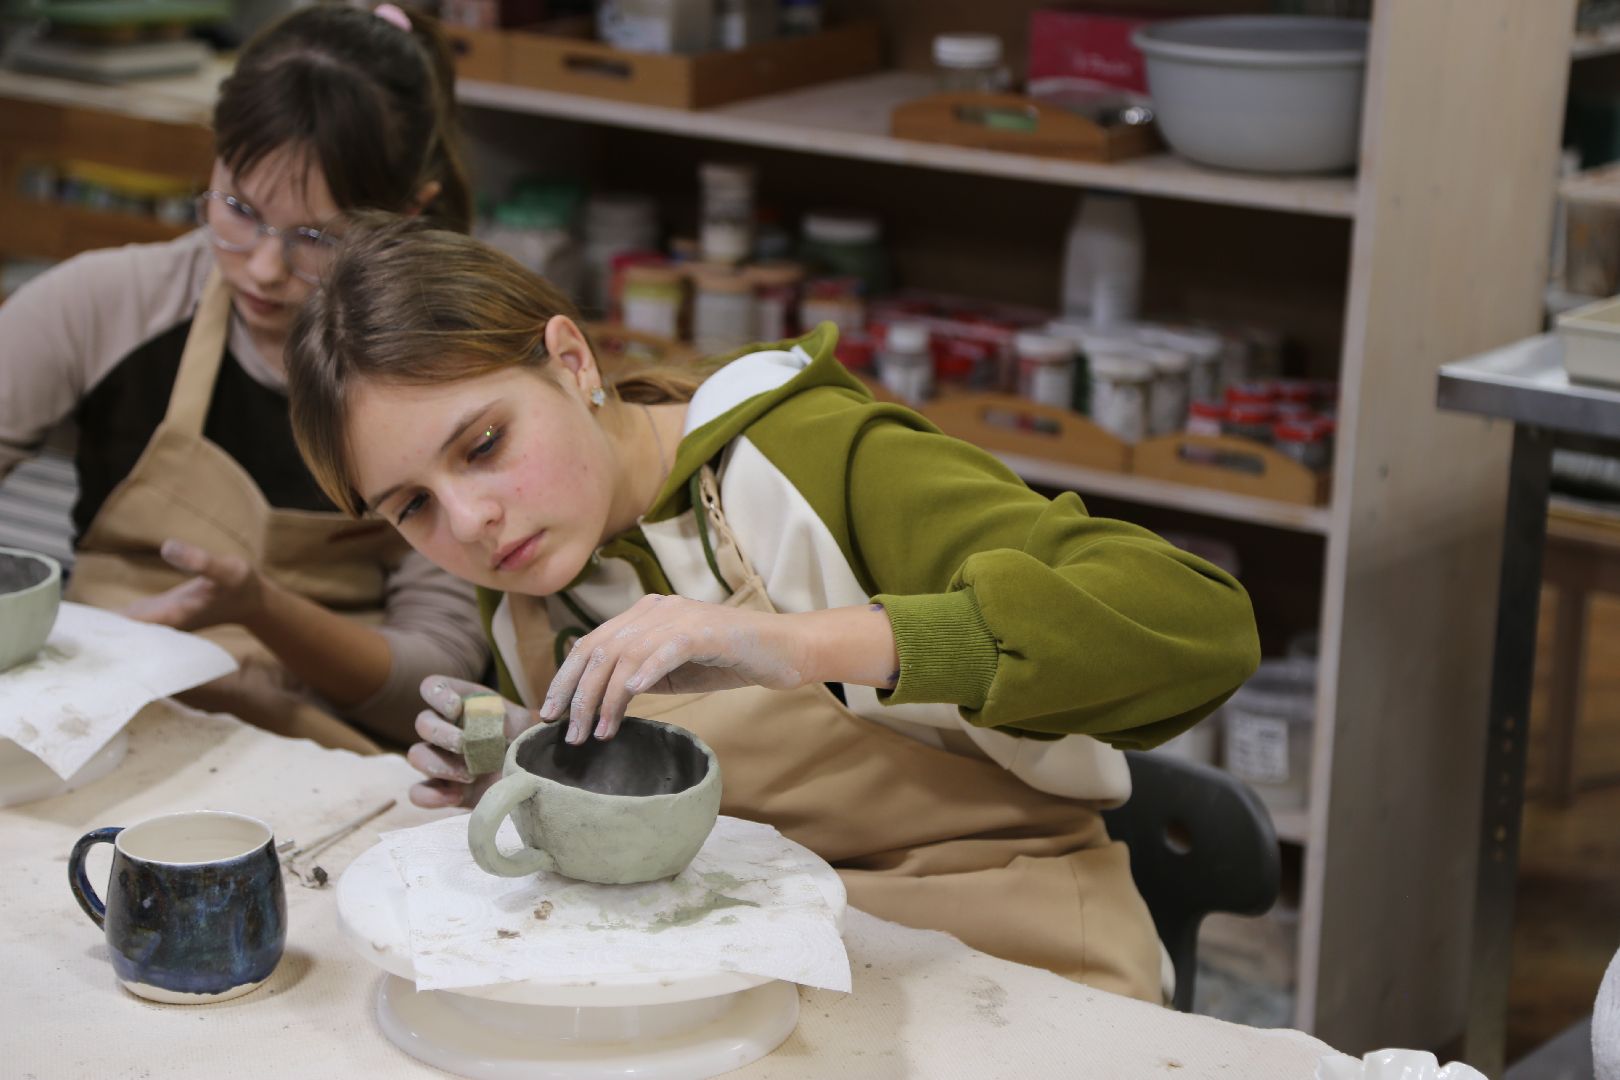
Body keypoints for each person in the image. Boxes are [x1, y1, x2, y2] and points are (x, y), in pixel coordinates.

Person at [285, 215, 1262, 1003]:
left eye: (485, 442)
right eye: (411, 505)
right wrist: (533, 790)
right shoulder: (528, 576)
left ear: (574, 363)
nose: (470, 521)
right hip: (762, 965)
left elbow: (1202, 624)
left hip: (1005, 959)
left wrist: (795, 643)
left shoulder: (806, 459)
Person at [0, 5, 487, 752]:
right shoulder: (103, 305)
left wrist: (262, 609)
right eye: (238, 209)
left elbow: (440, 688)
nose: (263, 267)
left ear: (407, 215)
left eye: (317, 237)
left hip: (320, 753)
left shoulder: (444, 382)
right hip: (92, 721)